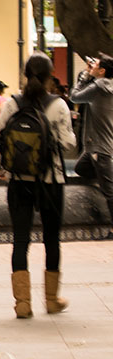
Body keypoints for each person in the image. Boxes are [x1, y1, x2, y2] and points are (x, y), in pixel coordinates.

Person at [0, 53, 75, 318]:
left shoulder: (12, 105)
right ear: (50, 77)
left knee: (20, 240)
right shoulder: (58, 105)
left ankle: (22, 303)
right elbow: (69, 146)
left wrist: (1, 169)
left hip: (18, 181)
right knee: (51, 239)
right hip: (51, 181)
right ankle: (51, 300)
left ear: (25, 75)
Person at [71, 55, 113, 237]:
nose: (91, 65)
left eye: (95, 64)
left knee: (110, 192)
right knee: (81, 168)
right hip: (95, 146)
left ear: (102, 71)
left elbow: (75, 97)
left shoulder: (99, 86)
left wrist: (84, 77)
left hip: (99, 147)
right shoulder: (108, 85)